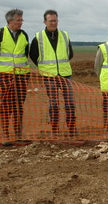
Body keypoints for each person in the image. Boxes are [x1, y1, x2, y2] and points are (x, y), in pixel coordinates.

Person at [29, 9, 76, 139]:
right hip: (49, 76)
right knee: (54, 104)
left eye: (55, 20)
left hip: (65, 75)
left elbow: (69, 53)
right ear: (45, 22)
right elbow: (33, 55)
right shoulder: (38, 38)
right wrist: (44, 67)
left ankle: (72, 129)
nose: (53, 23)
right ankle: (54, 131)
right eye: (50, 21)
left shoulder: (65, 35)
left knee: (70, 103)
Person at [0, 8, 30, 144]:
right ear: (10, 21)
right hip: (5, 76)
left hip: (21, 76)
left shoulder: (24, 35)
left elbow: (25, 54)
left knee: (19, 105)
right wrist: (4, 68)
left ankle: (18, 134)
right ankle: (5, 135)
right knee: (6, 105)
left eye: (21, 20)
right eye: (19, 20)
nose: (21, 22)